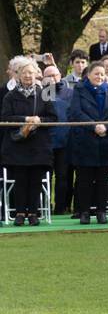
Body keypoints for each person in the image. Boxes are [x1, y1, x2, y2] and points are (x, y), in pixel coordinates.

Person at [66, 61, 108, 224]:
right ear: (89, 75)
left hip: (107, 140)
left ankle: (101, 211)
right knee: (84, 179)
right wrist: (94, 126)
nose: (99, 77)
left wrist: (104, 126)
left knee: (102, 179)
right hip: (85, 141)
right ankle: (84, 212)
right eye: (96, 74)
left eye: (102, 74)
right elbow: (75, 112)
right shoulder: (78, 90)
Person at [2, 58, 55, 225]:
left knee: (35, 180)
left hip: (39, 145)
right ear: (18, 75)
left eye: (31, 72)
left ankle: (33, 213)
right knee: (20, 180)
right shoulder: (10, 96)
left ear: (36, 75)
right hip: (17, 145)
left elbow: (53, 118)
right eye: (24, 72)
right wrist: (26, 119)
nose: (28, 76)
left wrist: (39, 121)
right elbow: (5, 117)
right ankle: (19, 213)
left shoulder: (45, 93)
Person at [42, 64, 74, 215]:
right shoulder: (42, 93)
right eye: (48, 75)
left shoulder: (69, 92)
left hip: (65, 142)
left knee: (63, 176)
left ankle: (61, 207)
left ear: (60, 75)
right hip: (45, 142)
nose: (52, 78)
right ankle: (44, 206)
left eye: (54, 75)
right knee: (45, 176)